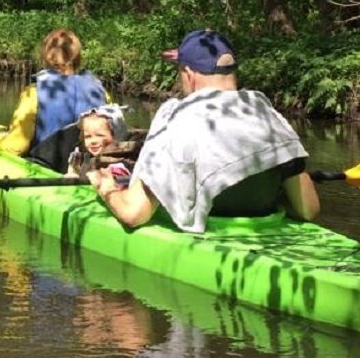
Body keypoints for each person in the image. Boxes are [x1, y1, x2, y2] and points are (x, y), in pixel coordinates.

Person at [87, 29, 319, 231]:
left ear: (189, 75)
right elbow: (308, 209)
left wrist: (107, 188)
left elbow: (133, 214)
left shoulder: (176, 117)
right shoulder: (265, 112)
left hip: (209, 233)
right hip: (266, 229)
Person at [0, 28, 108, 172]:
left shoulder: (34, 93)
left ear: (47, 56)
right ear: (77, 57)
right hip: (90, 169)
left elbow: (16, 147)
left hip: (46, 169)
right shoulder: (100, 90)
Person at [66, 104, 132, 184]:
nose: (93, 141)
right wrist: (74, 170)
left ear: (116, 135)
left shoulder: (117, 165)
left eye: (100, 135)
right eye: (88, 136)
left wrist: (76, 180)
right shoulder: (88, 157)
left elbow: (115, 186)